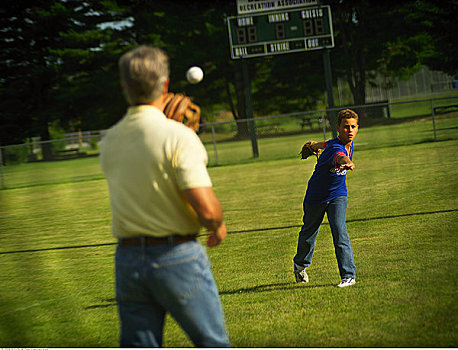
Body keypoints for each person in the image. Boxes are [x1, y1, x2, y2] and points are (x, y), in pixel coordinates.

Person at [100, 45, 230, 347]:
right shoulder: (178, 136)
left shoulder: (109, 140)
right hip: (176, 256)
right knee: (213, 343)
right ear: (166, 85)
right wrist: (217, 227)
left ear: (124, 87)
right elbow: (208, 211)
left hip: (127, 259)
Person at [293, 109, 359, 288]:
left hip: (337, 194)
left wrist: (314, 146)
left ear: (357, 128)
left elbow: (325, 143)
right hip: (316, 196)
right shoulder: (337, 148)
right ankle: (300, 264)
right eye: (346, 127)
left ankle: (348, 276)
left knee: (340, 231)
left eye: (353, 127)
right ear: (338, 128)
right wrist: (347, 162)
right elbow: (339, 156)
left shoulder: (340, 143)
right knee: (308, 234)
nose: (350, 130)